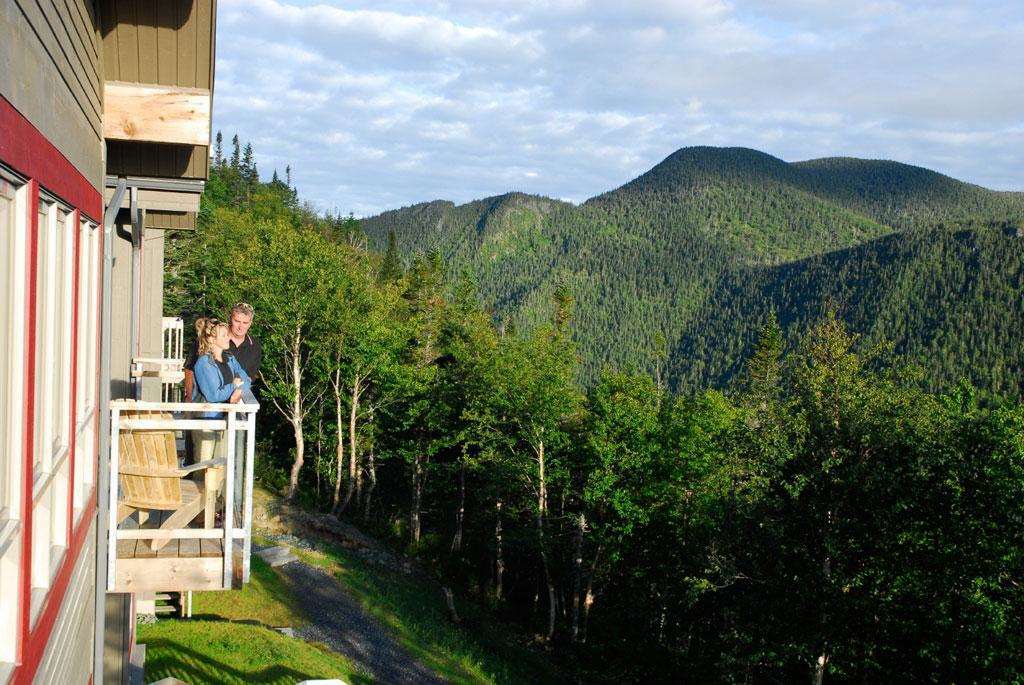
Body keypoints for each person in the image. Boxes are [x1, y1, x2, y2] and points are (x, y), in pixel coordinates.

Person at [191, 319, 252, 527]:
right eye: (224, 335)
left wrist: (239, 389)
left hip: (224, 421)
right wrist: (232, 388)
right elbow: (212, 394)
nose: (229, 338)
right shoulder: (202, 364)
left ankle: (214, 513)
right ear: (211, 338)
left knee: (219, 469)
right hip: (207, 423)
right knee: (205, 467)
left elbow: (246, 377)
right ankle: (198, 515)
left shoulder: (229, 358)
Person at [184, 302, 262, 401]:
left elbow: (248, 377)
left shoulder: (252, 347)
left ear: (250, 323)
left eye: (245, 323)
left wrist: (239, 390)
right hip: (209, 409)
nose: (240, 326)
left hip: (238, 401)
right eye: (237, 321)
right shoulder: (207, 343)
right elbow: (189, 368)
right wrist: (189, 398)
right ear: (230, 319)